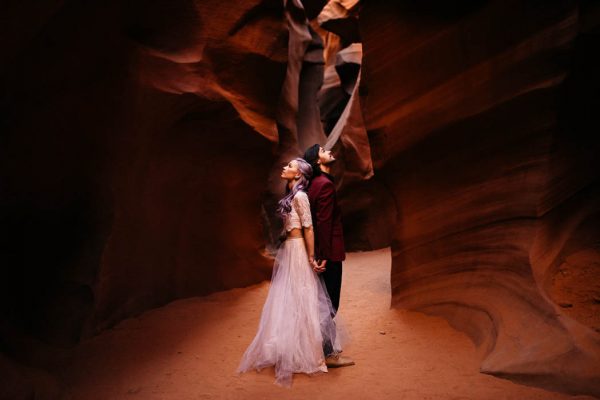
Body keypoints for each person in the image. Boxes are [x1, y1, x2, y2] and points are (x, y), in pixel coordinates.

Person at [237, 158, 341, 387]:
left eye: (289, 166)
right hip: (290, 250)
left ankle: (308, 351)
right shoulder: (293, 195)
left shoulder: (301, 196)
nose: (284, 168)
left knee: (302, 296)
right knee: (291, 298)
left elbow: (309, 227)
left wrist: (311, 257)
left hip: (298, 251)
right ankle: (294, 349)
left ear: (299, 174)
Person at [303, 144, 354, 368]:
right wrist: (323, 254)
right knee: (330, 303)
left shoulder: (314, 184)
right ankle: (329, 354)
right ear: (317, 160)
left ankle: (320, 349)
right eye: (323, 150)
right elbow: (323, 222)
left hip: (324, 251)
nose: (329, 150)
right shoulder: (324, 185)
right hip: (329, 253)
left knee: (321, 302)